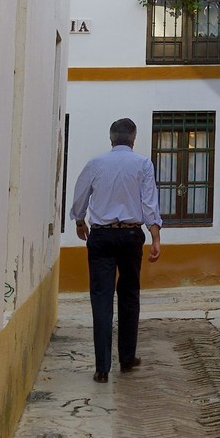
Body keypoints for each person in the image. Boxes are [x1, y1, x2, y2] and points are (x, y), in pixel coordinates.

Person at [69, 117, 162, 382]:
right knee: (130, 295)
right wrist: (155, 236)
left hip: (101, 236)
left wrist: (79, 220)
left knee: (101, 297)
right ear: (133, 139)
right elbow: (149, 202)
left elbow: (80, 194)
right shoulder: (143, 163)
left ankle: (102, 367)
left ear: (111, 139)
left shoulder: (96, 163)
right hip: (131, 235)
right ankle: (127, 358)